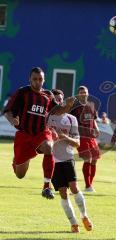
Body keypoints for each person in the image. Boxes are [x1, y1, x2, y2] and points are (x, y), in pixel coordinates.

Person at [4, 67, 75, 199]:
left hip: (41, 133)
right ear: (29, 79)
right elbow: (7, 110)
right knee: (20, 175)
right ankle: (17, 161)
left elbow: (57, 111)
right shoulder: (22, 92)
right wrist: (12, 120)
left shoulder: (48, 95)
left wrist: (68, 105)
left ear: (44, 80)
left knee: (49, 146)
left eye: (40, 79)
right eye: (35, 79)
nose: (38, 82)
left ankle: (46, 187)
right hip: (24, 135)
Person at [48, 89, 93, 233]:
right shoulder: (47, 118)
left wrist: (64, 137)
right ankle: (73, 223)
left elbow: (77, 143)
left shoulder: (71, 119)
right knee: (62, 192)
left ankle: (84, 216)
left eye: (60, 99)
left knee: (74, 188)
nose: (58, 102)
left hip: (67, 158)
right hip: (53, 160)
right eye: (55, 99)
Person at [70, 86, 100, 192]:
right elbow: (70, 121)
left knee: (95, 159)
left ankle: (90, 184)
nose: (83, 94)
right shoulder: (74, 107)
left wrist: (96, 129)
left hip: (91, 137)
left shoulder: (91, 105)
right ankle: (88, 186)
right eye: (81, 92)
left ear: (88, 93)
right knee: (88, 158)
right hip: (81, 136)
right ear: (78, 94)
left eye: (85, 92)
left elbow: (94, 119)